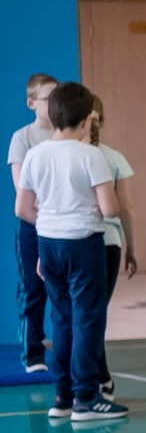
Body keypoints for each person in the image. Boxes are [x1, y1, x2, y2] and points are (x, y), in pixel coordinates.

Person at [14, 81, 124, 421]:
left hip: (49, 244)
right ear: (87, 119)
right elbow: (110, 209)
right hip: (83, 243)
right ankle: (87, 397)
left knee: (61, 318)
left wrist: (52, 225)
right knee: (88, 319)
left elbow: (22, 209)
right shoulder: (91, 155)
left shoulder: (35, 154)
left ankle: (62, 396)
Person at [89, 97, 138, 401]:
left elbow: (126, 208)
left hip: (105, 242)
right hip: (85, 242)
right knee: (87, 314)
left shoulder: (113, 158)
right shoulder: (98, 157)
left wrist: (130, 246)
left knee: (89, 314)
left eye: (95, 120)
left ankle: (98, 377)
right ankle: (95, 378)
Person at [10, 73, 57, 373]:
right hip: (33, 223)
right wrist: (41, 216)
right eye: (48, 99)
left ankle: (65, 350)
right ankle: (33, 352)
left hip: (63, 226)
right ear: (32, 103)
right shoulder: (23, 138)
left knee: (62, 290)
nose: (54, 104)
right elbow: (22, 189)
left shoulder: (66, 135)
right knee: (33, 288)